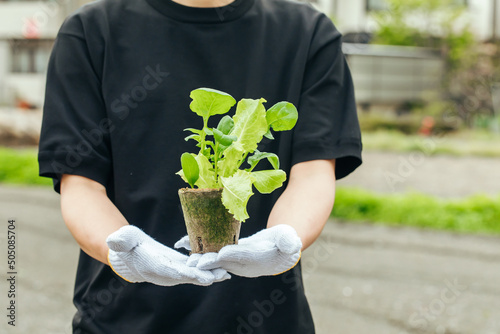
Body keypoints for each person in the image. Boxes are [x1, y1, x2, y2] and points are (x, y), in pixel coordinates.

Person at [38, 0, 362, 333]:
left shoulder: (308, 33)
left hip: (266, 319)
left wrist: (281, 242)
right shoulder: (91, 31)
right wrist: (126, 253)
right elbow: (80, 184)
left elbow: (312, 173)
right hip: (122, 320)